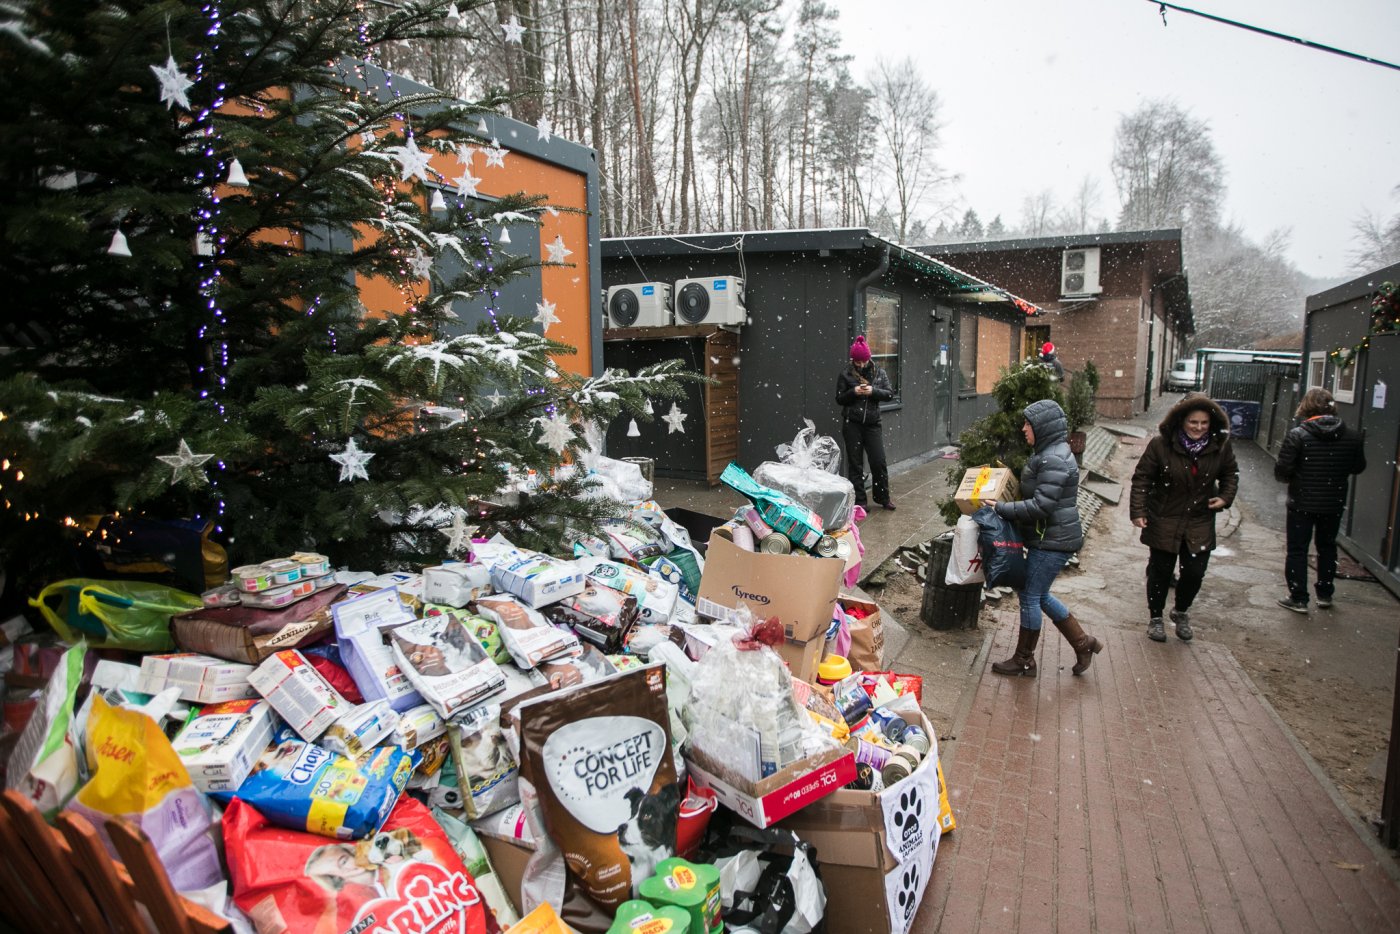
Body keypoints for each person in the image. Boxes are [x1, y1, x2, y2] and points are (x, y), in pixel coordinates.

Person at [983, 399, 1101, 677]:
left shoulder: (1053, 458)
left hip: (1053, 541)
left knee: (1030, 596)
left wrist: (1001, 508)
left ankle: (1024, 659)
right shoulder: (1050, 453)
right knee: (1039, 594)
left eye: (1028, 424)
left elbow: (1041, 506)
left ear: (1043, 427)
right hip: (1051, 537)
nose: (1024, 429)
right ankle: (1083, 643)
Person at [1129, 393, 1239, 643]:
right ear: (1181, 421)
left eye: (1204, 423)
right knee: (1160, 573)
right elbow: (1142, 478)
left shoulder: (1219, 447)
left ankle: (1181, 611)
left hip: (1199, 520)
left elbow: (1231, 474)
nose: (1199, 428)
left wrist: (1225, 497)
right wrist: (1138, 511)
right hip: (1164, 517)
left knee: (1194, 573)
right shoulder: (1160, 445)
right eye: (1193, 422)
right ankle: (1155, 618)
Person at [1273, 387, 1366, 612]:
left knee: (1297, 549)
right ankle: (1325, 594)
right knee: (1327, 547)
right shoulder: (1352, 436)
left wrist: (1296, 478)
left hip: (1301, 503)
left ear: (1306, 406)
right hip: (1332, 503)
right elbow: (1358, 467)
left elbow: (1282, 471)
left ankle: (1299, 597)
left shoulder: (1298, 435)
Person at [836, 335, 896, 511]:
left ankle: (883, 498)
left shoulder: (879, 372)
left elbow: (889, 394)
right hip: (852, 423)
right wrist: (853, 391)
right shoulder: (845, 374)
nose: (860, 365)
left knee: (878, 461)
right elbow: (839, 399)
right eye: (857, 362)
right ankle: (860, 501)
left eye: (863, 361)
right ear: (852, 360)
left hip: (872, 424)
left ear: (869, 358)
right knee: (855, 464)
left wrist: (873, 391)